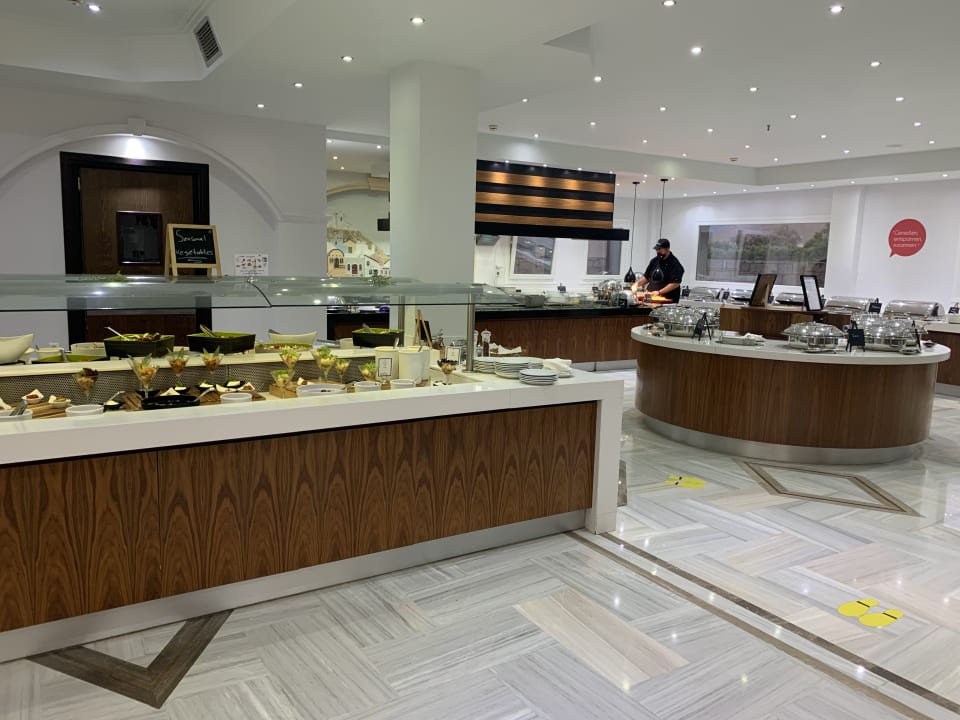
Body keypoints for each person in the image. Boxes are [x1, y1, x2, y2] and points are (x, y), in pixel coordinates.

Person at [636, 239, 685, 303]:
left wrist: (659, 292)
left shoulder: (675, 264)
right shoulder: (654, 261)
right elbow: (646, 277)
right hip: (650, 297)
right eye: (657, 249)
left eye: (660, 249)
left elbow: (675, 283)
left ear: (667, 249)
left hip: (667, 299)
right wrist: (635, 285)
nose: (658, 251)